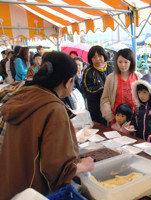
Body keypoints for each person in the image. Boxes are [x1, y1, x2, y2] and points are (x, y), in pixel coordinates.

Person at [0, 52, 94, 199]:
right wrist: (84, 166)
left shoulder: (22, 94)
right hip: (33, 192)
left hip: (10, 186)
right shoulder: (53, 109)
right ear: (68, 81)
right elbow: (57, 171)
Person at [100, 48, 142, 126]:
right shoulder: (110, 78)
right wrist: (110, 117)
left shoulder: (138, 77)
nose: (123, 65)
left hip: (135, 122)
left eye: (126, 62)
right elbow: (105, 99)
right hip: (116, 121)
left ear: (131, 62)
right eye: (120, 62)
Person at [129, 74, 151, 145]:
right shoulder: (138, 108)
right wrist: (132, 126)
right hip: (140, 141)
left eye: (145, 92)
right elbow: (134, 121)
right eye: (139, 92)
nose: (141, 95)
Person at [82, 45, 114, 125]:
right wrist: (103, 89)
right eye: (94, 57)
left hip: (113, 105)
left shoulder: (112, 66)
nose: (97, 59)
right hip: (97, 108)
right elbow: (87, 90)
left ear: (104, 55)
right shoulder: (88, 71)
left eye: (100, 56)